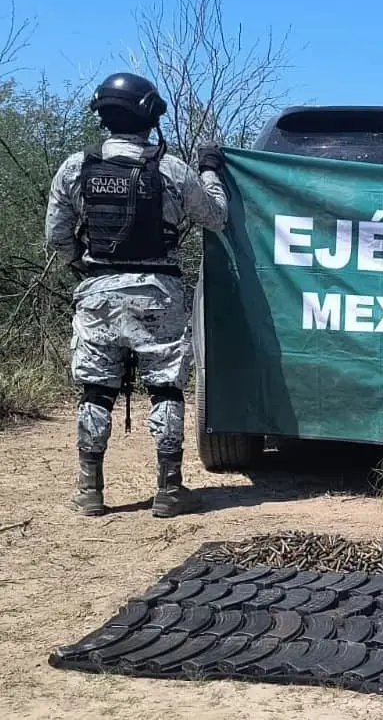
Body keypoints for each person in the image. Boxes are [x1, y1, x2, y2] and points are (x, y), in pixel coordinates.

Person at [45, 72, 229, 518]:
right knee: (166, 387)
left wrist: (85, 270)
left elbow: (57, 236)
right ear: (150, 114)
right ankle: (169, 490)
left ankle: (90, 489)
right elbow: (217, 217)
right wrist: (211, 169)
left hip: (97, 295)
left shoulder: (75, 166)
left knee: (95, 391)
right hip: (157, 294)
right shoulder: (172, 169)